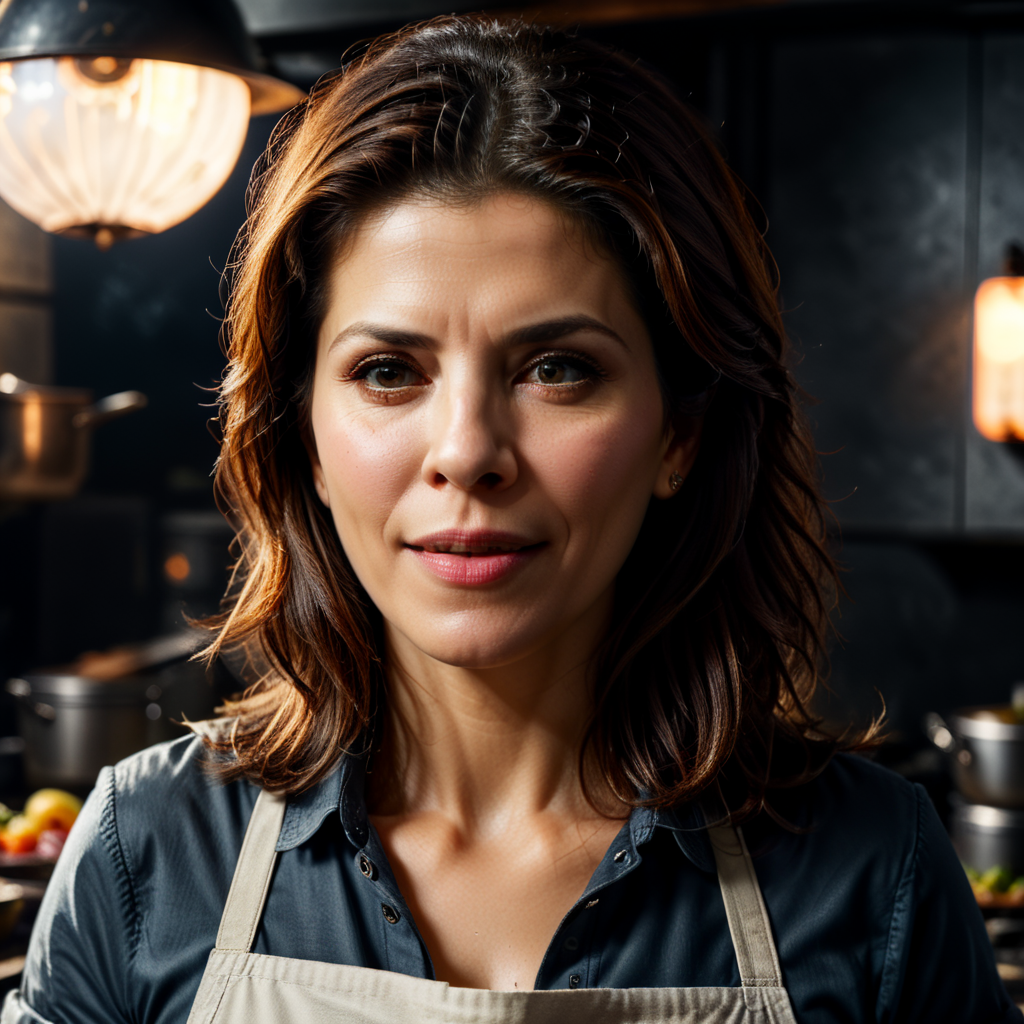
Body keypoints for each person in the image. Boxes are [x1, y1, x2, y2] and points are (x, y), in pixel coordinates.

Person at [3, 14, 1017, 1024]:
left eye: (556, 368)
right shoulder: (147, 855)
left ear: (680, 435)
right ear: (303, 435)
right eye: (388, 372)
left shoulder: (873, 873)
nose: (466, 452)